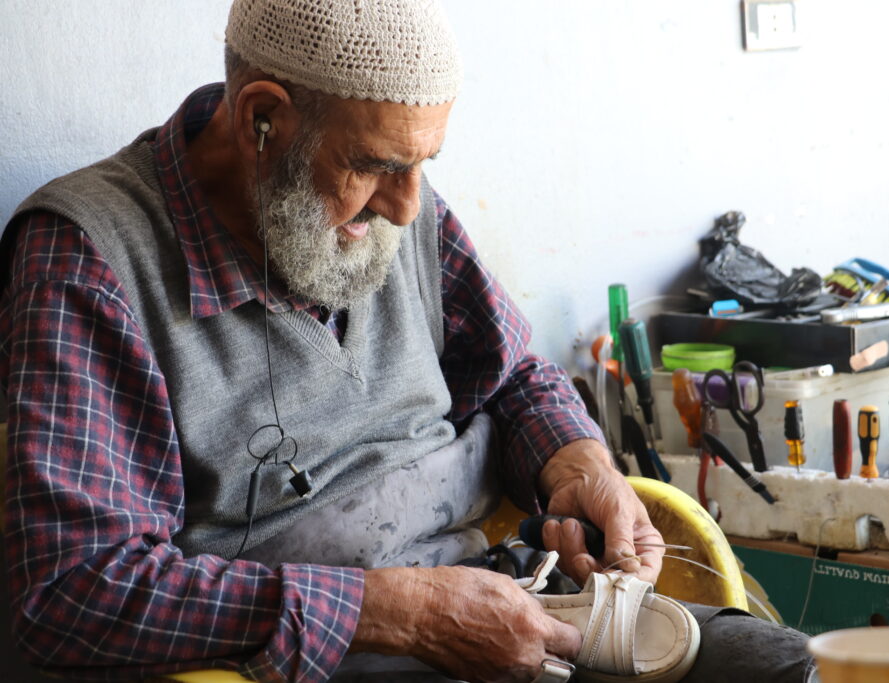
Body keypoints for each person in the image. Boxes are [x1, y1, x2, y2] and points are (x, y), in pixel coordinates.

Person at [0, 1, 815, 681]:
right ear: (262, 119)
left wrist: (578, 464)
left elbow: (515, 373)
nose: (406, 204)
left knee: (787, 666)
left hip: (500, 601)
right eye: (376, 164)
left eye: (424, 163)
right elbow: (71, 590)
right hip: (331, 656)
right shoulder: (89, 260)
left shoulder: (398, 202)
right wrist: (396, 613)